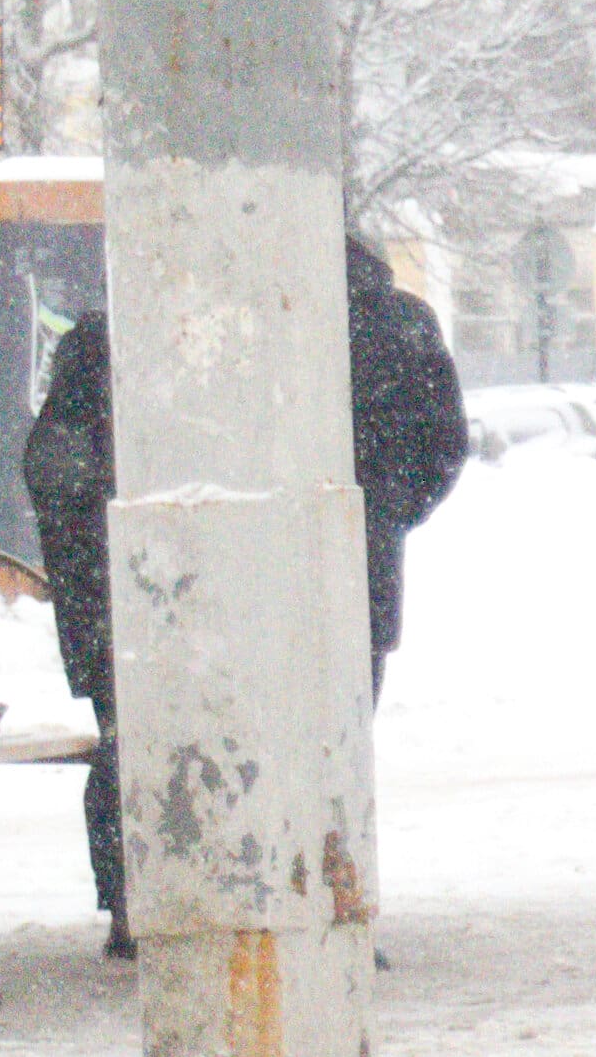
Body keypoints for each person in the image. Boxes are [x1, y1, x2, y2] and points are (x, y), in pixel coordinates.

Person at [25, 241, 474, 958]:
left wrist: (108, 565)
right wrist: (372, 516)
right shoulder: (385, 322)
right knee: (325, 741)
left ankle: (143, 902)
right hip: (340, 579)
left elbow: (59, 467)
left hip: (152, 589)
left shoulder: (130, 325)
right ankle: (325, 896)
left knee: (141, 744)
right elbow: (439, 443)